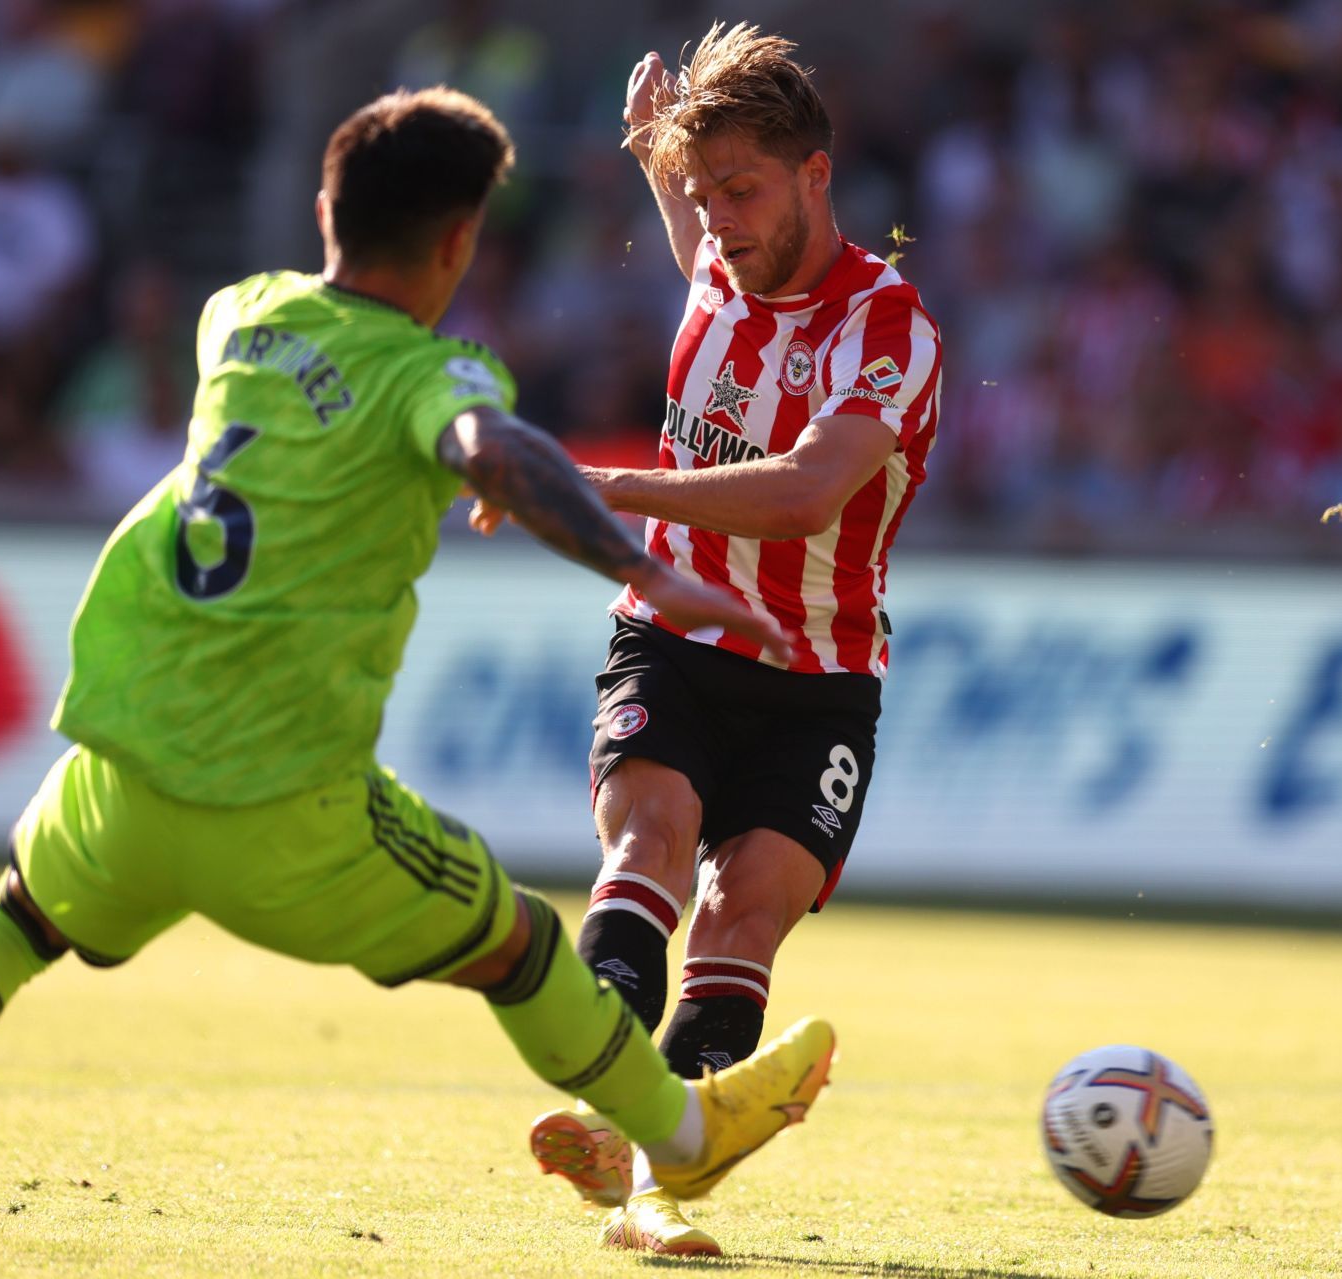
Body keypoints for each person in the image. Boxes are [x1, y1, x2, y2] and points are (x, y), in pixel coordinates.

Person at [0, 87, 836, 1261]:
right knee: (521, 947)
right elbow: (484, 447)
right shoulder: (434, 377)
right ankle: (680, 1128)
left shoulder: (237, 318)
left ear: (322, 209)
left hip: (125, 764)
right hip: (289, 806)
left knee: (3, 933)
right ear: (459, 244)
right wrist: (643, 571)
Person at [512, 23, 941, 1257]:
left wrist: (612, 486)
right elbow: (693, 201)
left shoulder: (887, 328)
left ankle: (648, 1179)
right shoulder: (720, 253)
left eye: (743, 191)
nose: (720, 224)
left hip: (822, 673)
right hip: (677, 632)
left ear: (817, 173)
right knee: (651, 837)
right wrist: (667, 152)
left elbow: (809, 492)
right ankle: (613, 1113)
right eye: (703, 199)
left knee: (745, 912)